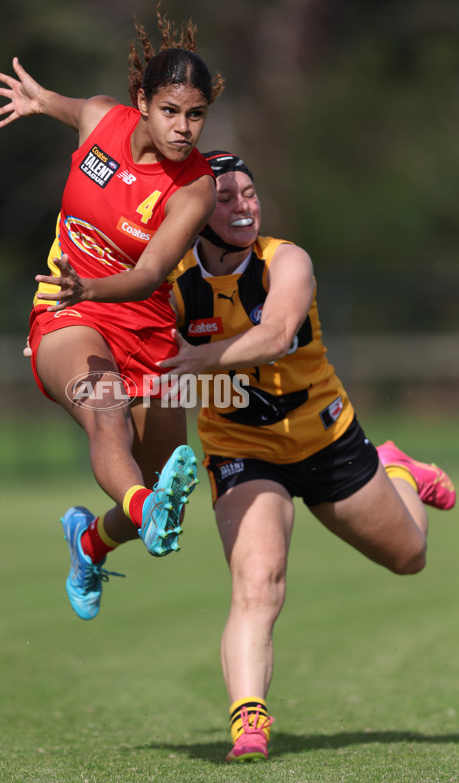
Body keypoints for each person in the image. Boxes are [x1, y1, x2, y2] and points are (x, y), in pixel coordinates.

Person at [155, 150, 456, 763]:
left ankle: (396, 465)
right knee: (258, 581)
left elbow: (275, 332)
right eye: (227, 198)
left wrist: (199, 360)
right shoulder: (173, 281)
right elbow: (141, 355)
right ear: (194, 212)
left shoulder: (286, 260)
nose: (245, 205)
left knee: (411, 557)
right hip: (241, 451)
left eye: (250, 193)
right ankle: (249, 722)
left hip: (326, 438)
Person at [0, 11, 225, 620]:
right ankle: (144, 510)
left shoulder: (194, 188)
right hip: (68, 308)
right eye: (170, 111)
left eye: (196, 115)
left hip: (139, 317)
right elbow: (67, 107)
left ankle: (88, 542)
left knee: (160, 482)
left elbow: (147, 274)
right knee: (106, 414)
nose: (183, 128)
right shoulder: (99, 120)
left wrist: (91, 283)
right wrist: (38, 101)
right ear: (141, 101)